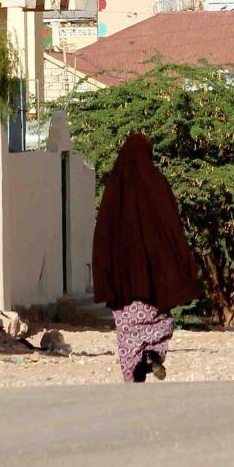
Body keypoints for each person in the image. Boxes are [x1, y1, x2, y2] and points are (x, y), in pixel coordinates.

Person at [92, 133, 201, 384]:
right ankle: (152, 352)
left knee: (129, 324)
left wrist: (105, 271)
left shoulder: (114, 189)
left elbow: (103, 234)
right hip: (154, 276)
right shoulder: (157, 183)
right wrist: (176, 265)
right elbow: (172, 227)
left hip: (123, 278)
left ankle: (134, 365)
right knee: (157, 318)